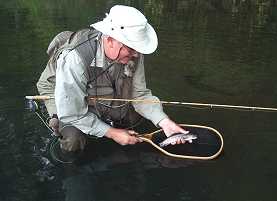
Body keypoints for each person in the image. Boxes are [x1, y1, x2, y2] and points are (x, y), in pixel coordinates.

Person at [37, 5, 188, 154]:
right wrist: (112, 133)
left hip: (98, 91)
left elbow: (139, 95)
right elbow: (73, 114)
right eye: (131, 49)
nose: (136, 54)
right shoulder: (75, 60)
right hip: (63, 94)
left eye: (138, 49)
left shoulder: (133, 53)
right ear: (110, 41)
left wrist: (164, 122)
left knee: (133, 118)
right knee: (73, 140)